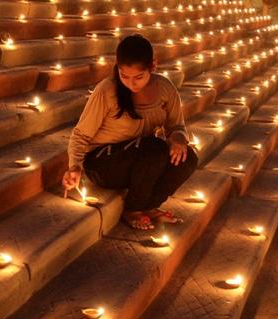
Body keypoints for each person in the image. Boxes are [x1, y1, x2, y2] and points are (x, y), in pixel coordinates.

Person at [62, 34, 197, 230]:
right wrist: (75, 166)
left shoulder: (165, 89)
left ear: (153, 66)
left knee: (188, 158)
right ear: (117, 68)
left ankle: (149, 206)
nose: (131, 83)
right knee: (155, 147)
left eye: (138, 77)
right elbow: (80, 135)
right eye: (124, 76)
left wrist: (178, 139)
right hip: (103, 165)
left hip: (142, 159)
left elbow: (177, 127)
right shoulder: (107, 90)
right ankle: (133, 209)